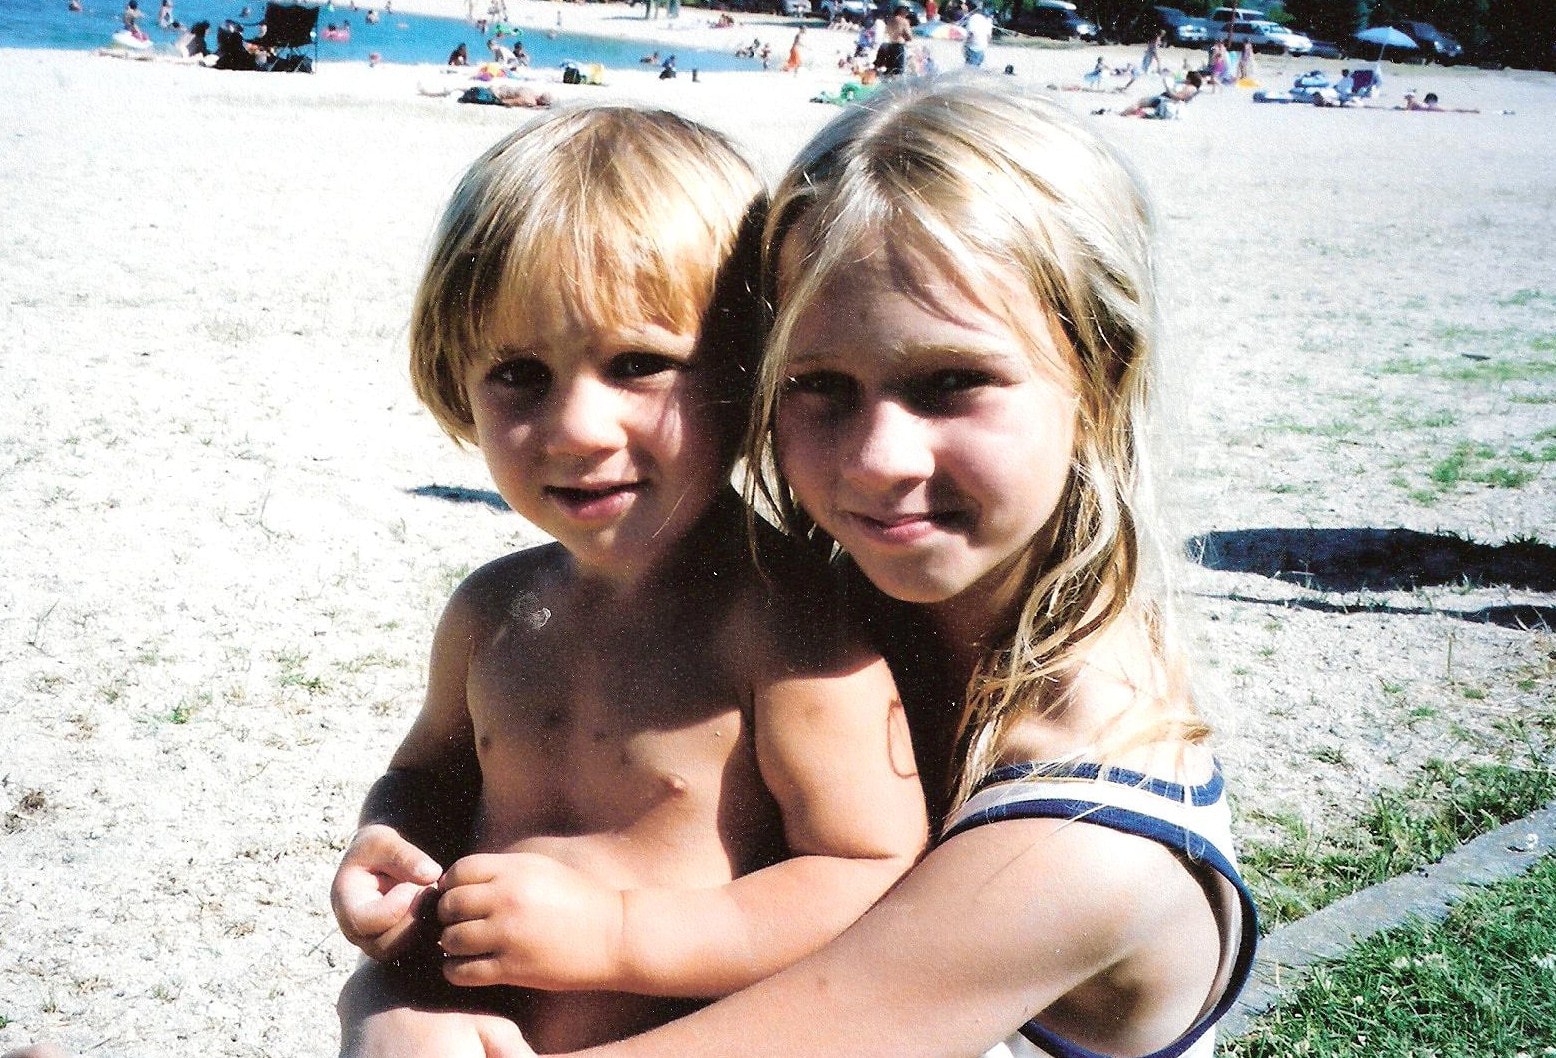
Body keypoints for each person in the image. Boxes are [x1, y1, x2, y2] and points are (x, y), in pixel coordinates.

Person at [464, 74, 1259, 1058]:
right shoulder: (825, 628)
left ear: (1099, 375)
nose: (877, 459)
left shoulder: (1081, 839)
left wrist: (395, 1019)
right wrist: (395, 988)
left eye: (951, 380)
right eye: (818, 383)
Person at [332, 106, 929, 1058]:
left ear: (750, 370)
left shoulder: (786, 628)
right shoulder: (492, 612)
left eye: (640, 364)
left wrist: (616, 934)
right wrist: (390, 846)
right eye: (518, 373)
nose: (575, 428)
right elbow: (425, 775)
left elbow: (868, 871)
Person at [1119, 69, 1203, 116]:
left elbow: (1176, 97)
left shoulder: (1190, 88)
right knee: (1142, 104)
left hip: (1165, 100)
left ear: (1190, 79)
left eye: (1187, 78)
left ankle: (1122, 114)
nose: (1185, 79)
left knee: (1140, 102)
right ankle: (1129, 113)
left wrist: (1167, 87)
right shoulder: (1193, 87)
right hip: (1166, 100)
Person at [960, 0, 992, 66]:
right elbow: (989, 37)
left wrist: (965, 45)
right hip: (982, 49)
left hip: (973, 48)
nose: (964, 7)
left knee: (969, 69)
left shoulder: (972, 18)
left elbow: (971, 34)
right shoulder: (985, 19)